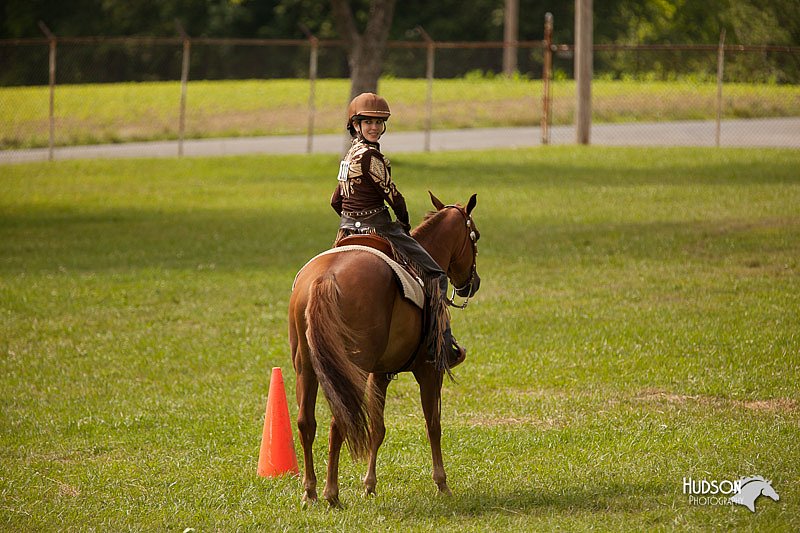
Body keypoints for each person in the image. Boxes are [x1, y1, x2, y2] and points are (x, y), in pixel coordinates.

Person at [330, 92, 465, 373]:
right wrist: (403, 223)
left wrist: (349, 221)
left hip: (345, 230)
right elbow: (393, 196)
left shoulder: (348, 156)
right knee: (435, 274)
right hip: (378, 226)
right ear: (355, 125)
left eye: (379, 123)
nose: (374, 128)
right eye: (368, 122)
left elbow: (335, 200)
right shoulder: (371, 157)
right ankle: (441, 344)